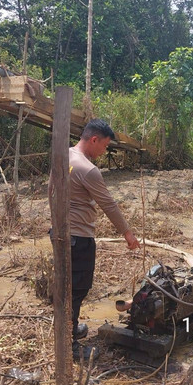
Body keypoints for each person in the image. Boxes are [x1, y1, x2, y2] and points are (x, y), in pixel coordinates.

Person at [52, 118, 140, 361]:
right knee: (78, 289)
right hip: (79, 238)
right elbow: (108, 204)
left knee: (65, 286)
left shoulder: (63, 155)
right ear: (94, 140)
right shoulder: (88, 170)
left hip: (60, 233)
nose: (104, 151)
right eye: (104, 146)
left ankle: (68, 330)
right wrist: (128, 233)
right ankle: (69, 346)